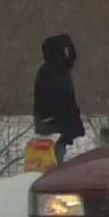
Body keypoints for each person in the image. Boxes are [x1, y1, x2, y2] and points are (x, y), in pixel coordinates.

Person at [33, 34, 85, 164]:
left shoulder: (50, 69)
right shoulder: (57, 69)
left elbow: (71, 57)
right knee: (55, 157)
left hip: (53, 123)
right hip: (56, 123)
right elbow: (52, 98)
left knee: (55, 155)